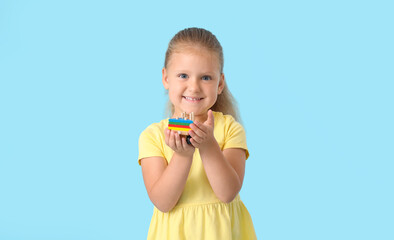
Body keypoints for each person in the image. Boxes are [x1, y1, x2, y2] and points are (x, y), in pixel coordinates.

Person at [138, 27, 256, 240]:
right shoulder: (152, 136)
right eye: (183, 75)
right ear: (166, 78)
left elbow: (228, 193)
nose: (193, 87)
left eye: (206, 78)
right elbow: (163, 202)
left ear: (220, 83)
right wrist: (183, 156)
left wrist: (209, 145)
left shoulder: (230, 129)